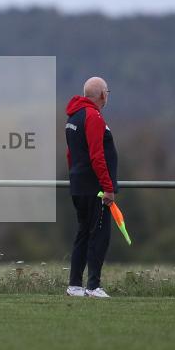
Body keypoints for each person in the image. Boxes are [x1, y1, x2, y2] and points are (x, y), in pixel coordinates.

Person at [64, 76, 118, 298]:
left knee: (83, 233)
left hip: (79, 184)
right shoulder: (93, 116)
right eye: (107, 92)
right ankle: (93, 286)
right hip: (95, 187)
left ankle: (74, 286)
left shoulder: (73, 116)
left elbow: (70, 154)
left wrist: (75, 177)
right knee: (99, 235)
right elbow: (97, 156)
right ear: (103, 95)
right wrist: (108, 187)